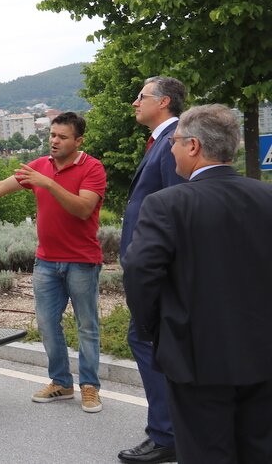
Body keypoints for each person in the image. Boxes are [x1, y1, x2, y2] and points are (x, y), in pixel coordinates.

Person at [123, 104, 272, 463]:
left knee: (206, 452)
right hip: (264, 352)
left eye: (174, 142)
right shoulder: (267, 197)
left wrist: (154, 328)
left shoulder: (165, 204)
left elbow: (140, 272)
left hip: (195, 357)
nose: (170, 149)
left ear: (193, 146)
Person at [0, 112, 106, 413]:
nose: (54, 141)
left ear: (78, 141)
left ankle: (90, 387)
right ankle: (61, 383)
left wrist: (49, 184)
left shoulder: (92, 168)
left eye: (62, 137)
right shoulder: (40, 166)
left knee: (87, 326)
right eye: (52, 135)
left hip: (81, 261)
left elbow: (83, 209)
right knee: (46, 323)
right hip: (46, 263)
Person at [118, 76, 186, 464]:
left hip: (158, 273)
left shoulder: (172, 142)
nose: (134, 102)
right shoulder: (162, 142)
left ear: (162, 102)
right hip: (154, 268)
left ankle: (165, 435)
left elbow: (174, 211)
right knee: (153, 346)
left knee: (147, 343)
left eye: (140, 96)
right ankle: (171, 429)